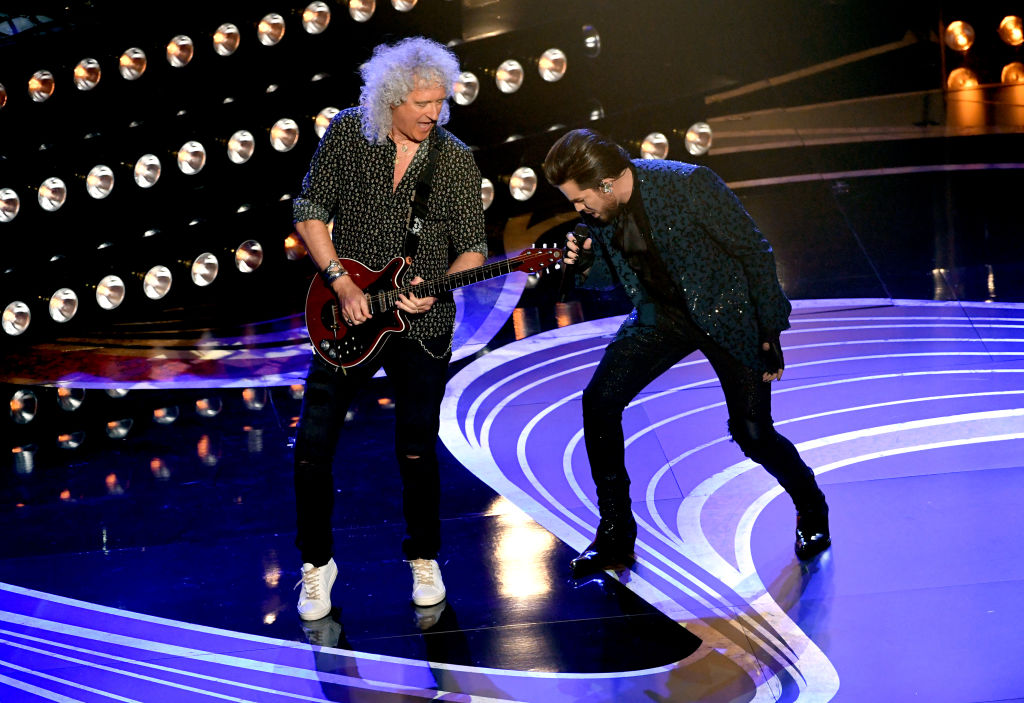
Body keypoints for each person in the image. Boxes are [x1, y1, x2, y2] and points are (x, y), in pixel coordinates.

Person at [542, 129, 830, 578]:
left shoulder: (688, 183)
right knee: (599, 401)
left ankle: (811, 505)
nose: (578, 209)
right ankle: (615, 531)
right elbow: (608, 276)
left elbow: (754, 251)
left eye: (580, 199)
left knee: (753, 434)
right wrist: (583, 263)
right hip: (661, 316)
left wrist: (769, 328)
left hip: (726, 311)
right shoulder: (602, 212)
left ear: (606, 183)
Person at [291, 37, 487, 619]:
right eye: (423, 103)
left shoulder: (454, 159)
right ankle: (316, 563)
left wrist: (438, 285)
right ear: (391, 99)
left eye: (441, 102)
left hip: (420, 325)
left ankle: (423, 555)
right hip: (346, 313)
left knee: (417, 448)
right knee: (312, 446)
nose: (434, 113)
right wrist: (341, 283)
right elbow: (309, 211)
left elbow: (473, 248)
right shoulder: (349, 134)